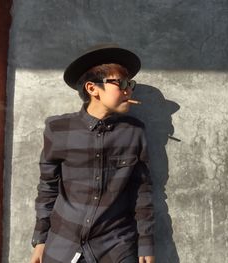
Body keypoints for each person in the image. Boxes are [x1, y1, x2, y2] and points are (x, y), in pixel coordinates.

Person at [30, 45, 155, 263]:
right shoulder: (58, 129)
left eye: (131, 84)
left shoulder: (134, 132)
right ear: (92, 88)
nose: (129, 90)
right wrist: (41, 239)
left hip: (116, 246)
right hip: (63, 243)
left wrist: (145, 243)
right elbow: (47, 188)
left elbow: (142, 190)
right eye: (122, 84)